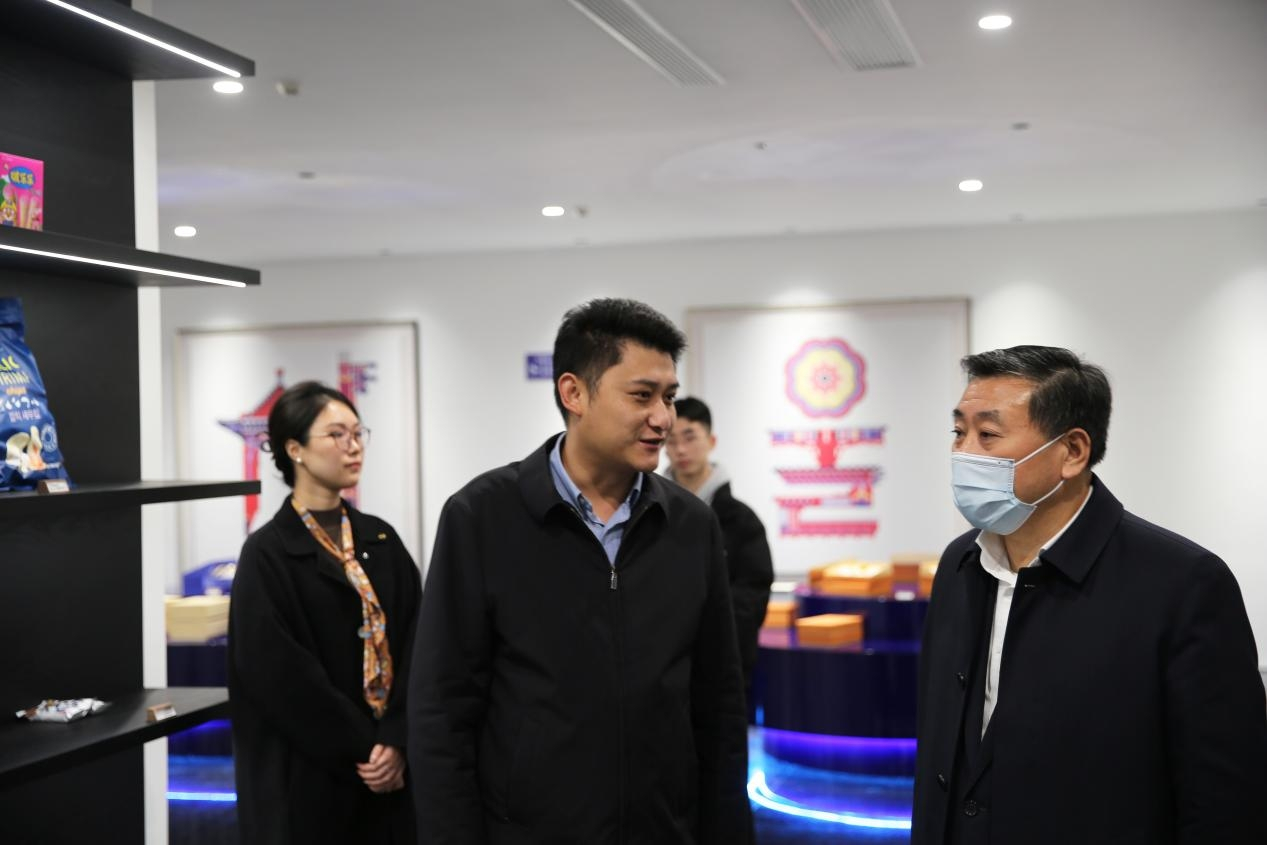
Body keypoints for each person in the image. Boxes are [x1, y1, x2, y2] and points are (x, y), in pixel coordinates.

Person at [408, 298, 752, 844]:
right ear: (574, 393)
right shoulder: (481, 517)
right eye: (641, 395)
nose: (663, 418)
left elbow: (719, 708)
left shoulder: (691, 525)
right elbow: (442, 710)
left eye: (668, 397)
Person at [911, 346, 1267, 845]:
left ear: (1073, 451)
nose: (964, 452)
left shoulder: (1183, 585)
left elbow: (1226, 804)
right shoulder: (960, 564)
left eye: (987, 435)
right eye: (958, 432)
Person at [228, 381, 421, 844]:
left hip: (391, 776)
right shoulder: (268, 554)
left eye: (358, 433)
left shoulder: (381, 539)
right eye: (337, 435)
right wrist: (365, 746)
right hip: (311, 781)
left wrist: (396, 737)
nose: (353, 446)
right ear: (294, 449)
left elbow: (420, 642)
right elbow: (277, 674)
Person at [665, 396, 774, 704]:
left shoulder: (741, 520)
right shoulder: (649, 513)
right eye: (671, 441)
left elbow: (752, 595)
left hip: (724, 668)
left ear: (711, 441)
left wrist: (711, 637)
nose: (680, 450)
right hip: (660, 668)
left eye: (690, 437)